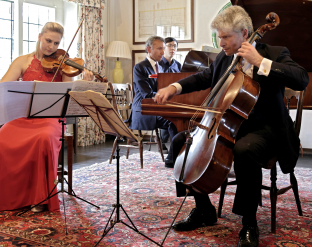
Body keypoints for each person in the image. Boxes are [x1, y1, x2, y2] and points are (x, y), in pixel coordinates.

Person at [154, 6, 308, 247]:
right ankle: (204, 210)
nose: (220, 41)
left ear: (244, 34)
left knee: (244, 151)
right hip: (229, 125)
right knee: (179, 142)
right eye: (219, 35)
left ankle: (249, 223)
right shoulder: (224, 58)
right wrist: (175, 87)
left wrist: (260, 62)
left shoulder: (274, 52)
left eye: (226, 36)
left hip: (266, 129)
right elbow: (203, 78)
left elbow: (301, 78)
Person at [0, 22, 94, 213]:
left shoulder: (63, 64)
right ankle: (2, 196)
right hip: (23, 116)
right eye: (48, 40)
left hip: (51, 116)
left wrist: (83, 82)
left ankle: (39, 197)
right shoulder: (22, 61)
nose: (52, 47)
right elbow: (0, 88)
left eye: (56, 43)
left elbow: (70, 92)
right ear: (39, 36)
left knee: (43, 139)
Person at [129, 36, 178, 150]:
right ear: (149, 49)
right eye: (159, 49)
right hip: (143, 110)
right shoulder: (139, 67)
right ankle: (174, 156)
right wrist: (167, 95)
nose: (163, 52)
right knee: (173, 121)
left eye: (163, 48)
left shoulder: (160, 67)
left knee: (179, 118)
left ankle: (178, 155)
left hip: (156, 107)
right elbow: (146, 94)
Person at [158, 37, 182, 155]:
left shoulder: (178, 65)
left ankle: (178, 145)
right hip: (161, 98)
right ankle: (164, 143)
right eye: (169, 45)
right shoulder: (157, 64)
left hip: (175, 99)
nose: (172, 48)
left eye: (175, 46)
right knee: (169, 114)